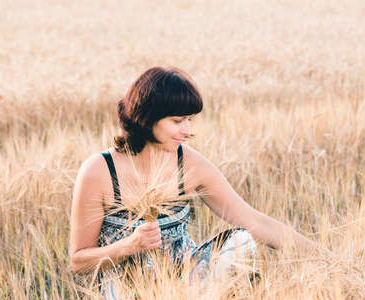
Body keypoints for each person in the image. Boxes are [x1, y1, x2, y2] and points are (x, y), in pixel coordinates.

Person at [69, 67, 317, 297]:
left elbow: (254, 221)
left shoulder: (189, 163)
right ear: (146, 118)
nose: (187, 130)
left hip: (187, 286)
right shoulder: (99, 171)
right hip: (124, 288)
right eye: (177, 121)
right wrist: (129, 246)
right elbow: (79, 261)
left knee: (241, 241)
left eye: (189, 120)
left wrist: (323, 256)